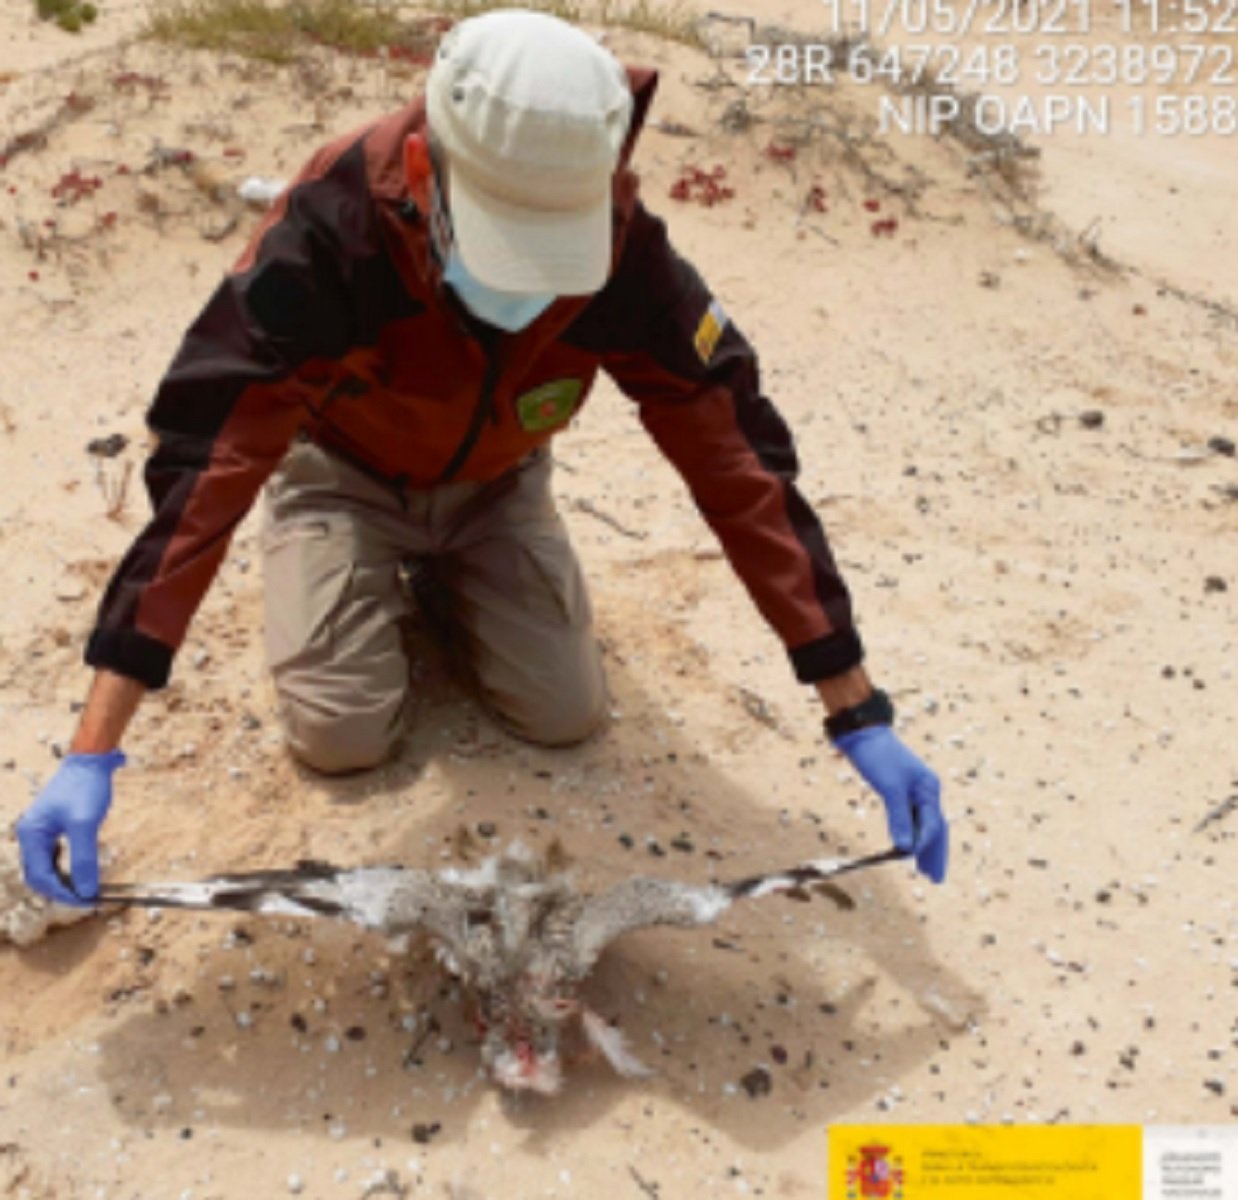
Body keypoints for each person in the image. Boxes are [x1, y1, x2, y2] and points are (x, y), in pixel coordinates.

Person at [15, 9, 948, 907]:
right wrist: (93, 752)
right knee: (342, 736)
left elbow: (735, 457)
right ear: (425, 168)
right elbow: (203, 469)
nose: (524, 288)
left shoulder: (625, 248)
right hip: (344, 477)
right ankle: (356, 568)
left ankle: (453, 582)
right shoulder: (326, 236)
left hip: (497, 485)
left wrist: (855, 706)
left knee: (565, 715)